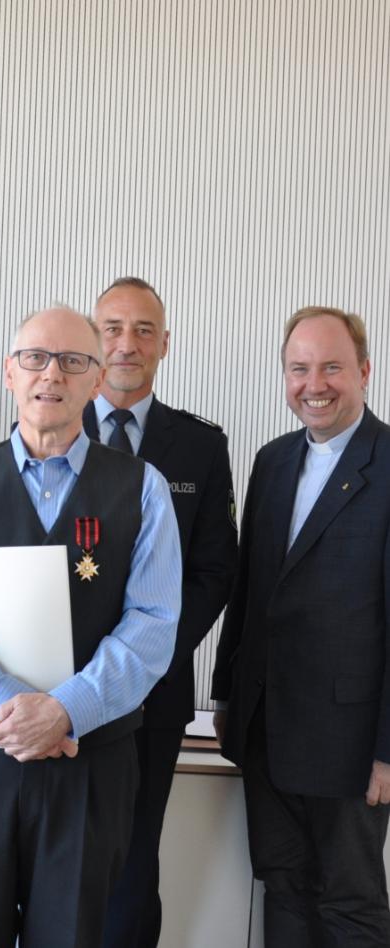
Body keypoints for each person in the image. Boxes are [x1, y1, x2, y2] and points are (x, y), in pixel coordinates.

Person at [0, 305, 182, 947]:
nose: (50, 373)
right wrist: (8, 708)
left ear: (95, 377)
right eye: (35, 358)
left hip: (90, 761)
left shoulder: (143, 489)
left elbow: (153, 621)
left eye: (73, 361)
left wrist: (64, 710)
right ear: (9, 372)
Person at [212, 306, 390, 946]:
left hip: (351, 741)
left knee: (350, 902)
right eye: (299, 368)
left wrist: (388, 750)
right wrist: (227, 695)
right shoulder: (272, 460)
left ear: (364, 372)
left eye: (332, 366)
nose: (314, 383)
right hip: (266, 730)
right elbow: (249, 588)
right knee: (282, 888)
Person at [85, 277, 237, 948]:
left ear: (165, 344)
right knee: (57, 853)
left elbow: (215, 570)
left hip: (155, 693)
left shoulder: (199, 446)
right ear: (93, 340)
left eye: (144, 329)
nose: (127, 343)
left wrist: (148, 659)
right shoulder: (48, 427)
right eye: (113, 328)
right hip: (57, 688)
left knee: (133, 858)